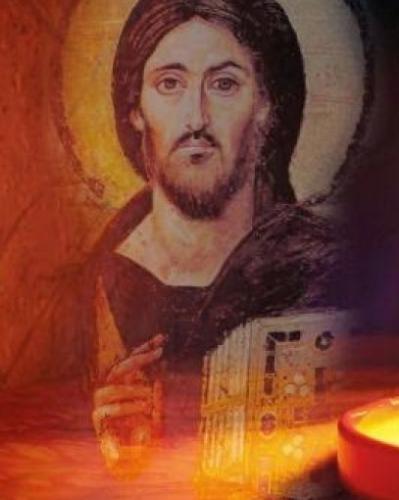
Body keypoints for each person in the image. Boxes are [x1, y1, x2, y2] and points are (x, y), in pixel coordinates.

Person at [84, 0, 350, 471]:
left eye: (224, 84)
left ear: (266, 106)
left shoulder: (321, 269)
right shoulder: (90, 288)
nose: (196, 119)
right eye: (170, 84)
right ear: (135, 109)